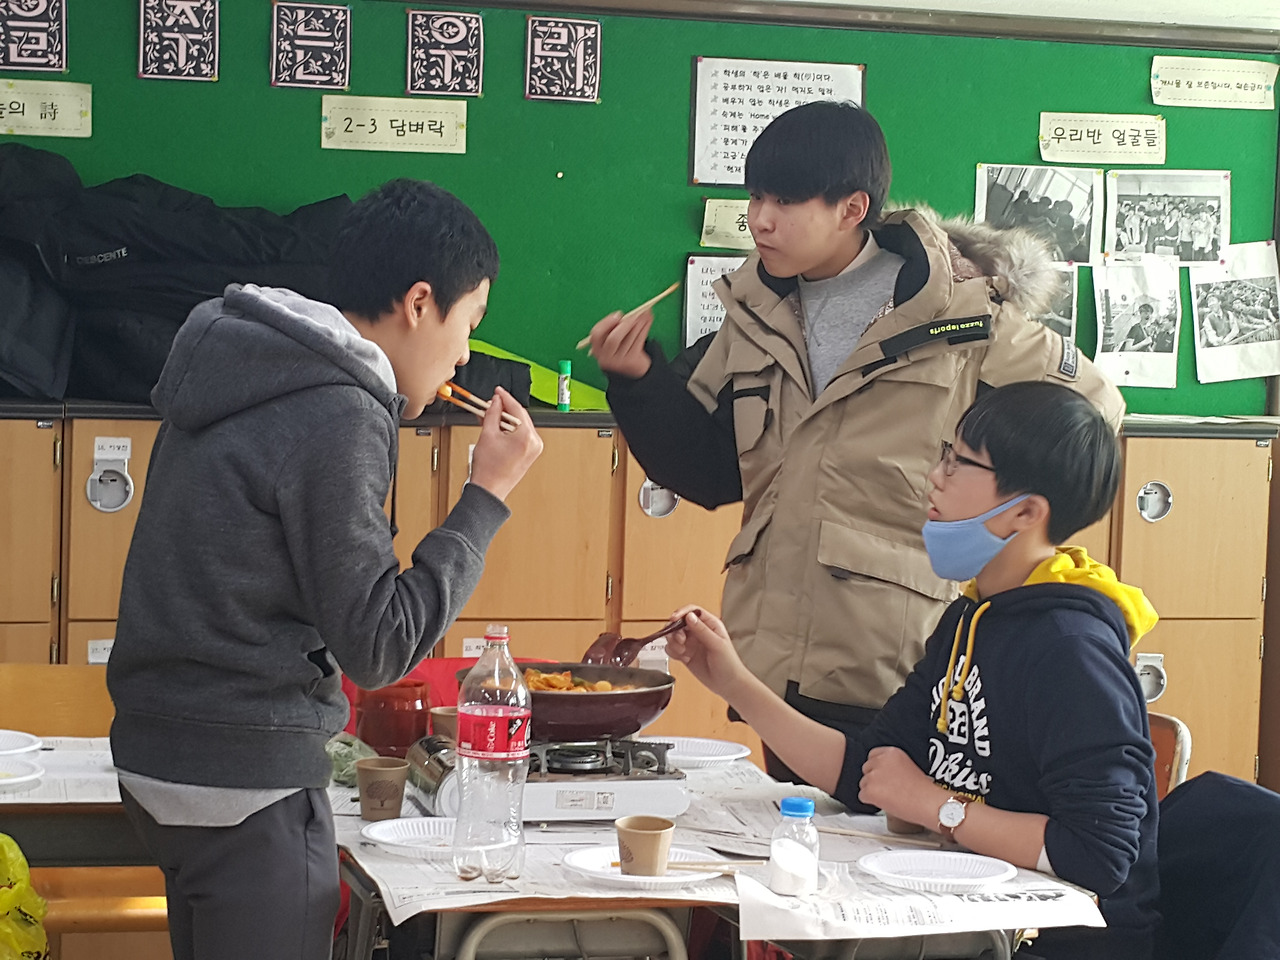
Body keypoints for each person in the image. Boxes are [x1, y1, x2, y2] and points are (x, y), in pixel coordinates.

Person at [586, 100, 1123, 780]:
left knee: (890, 832)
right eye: (755, 197)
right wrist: (637, 380)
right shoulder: (756, 314)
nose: (760, 219)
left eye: (785, 201)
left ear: (851, 208)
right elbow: (709, 471)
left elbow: (1095, 409)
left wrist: (989, 499)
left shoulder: (959, 314)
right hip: (774, 653)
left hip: (893, 656)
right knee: (796, 833)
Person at [106, 179, 544, 960]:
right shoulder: (338, 409)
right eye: (469, 324)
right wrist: (485, 498)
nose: (464, 355)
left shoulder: (239, 359)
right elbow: (378, 646)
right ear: (419, 303)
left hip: (160, 759)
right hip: (248, 780)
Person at [666, 381, 1160, 960]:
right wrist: (733, 681)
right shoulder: (969, 618)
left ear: (1025, 512)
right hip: (966, 917)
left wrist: (935, 807)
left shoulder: (1071, 649)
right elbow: (869, 771)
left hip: (1054, 942)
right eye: (945, 454)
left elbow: (1099, 853)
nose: (935, 477)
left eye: (960, 463)